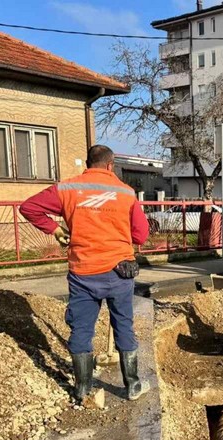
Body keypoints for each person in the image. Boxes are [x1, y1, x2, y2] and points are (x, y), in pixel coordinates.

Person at [20, 145, 150, 404]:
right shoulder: (126, 192)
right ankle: (133, 385)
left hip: (83, 272)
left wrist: (55, 229)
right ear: (111, 165)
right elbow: (141, 234)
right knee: (123, 325)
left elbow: (29, 207)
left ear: (88, 164)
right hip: (120, 271)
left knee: (81, 330)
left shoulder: (67, 189)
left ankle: (82, 389)